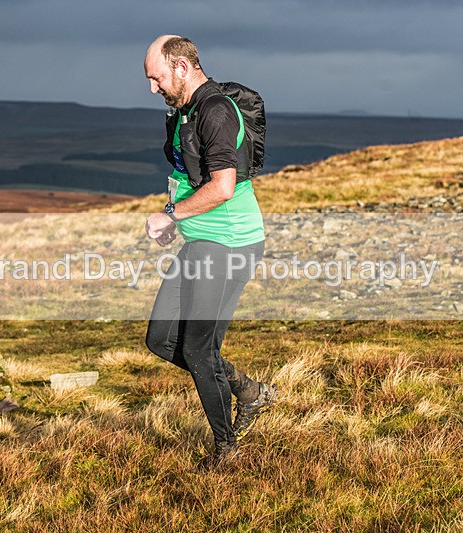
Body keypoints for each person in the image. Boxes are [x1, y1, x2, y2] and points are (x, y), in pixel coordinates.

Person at [143, 35, 278, 471]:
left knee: (200, 350)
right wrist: (179, 220)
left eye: (156, 78)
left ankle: (226, 450)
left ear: (181, 67)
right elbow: (189, 174)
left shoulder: (217, 111)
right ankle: (247, 389)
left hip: (231, 244)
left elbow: (221, 187)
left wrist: (170, 214)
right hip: (201, 241)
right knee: (161, 339)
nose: (153, 88)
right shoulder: (186, 110)